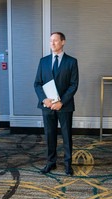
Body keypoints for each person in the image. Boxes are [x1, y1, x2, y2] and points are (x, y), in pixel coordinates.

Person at [34, 32, 79, 176]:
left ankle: (67, 164)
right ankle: (50, 163)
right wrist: (44, 99)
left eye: (55, 41)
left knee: (66, 135)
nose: (52, 43)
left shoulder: (72, 62)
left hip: (64, 106)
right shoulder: (43, 61)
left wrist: (62, 102)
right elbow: (37, 84)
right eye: (50, 41)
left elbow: (73, 85)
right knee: (49, 135)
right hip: (47, 106)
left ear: (63, 42)